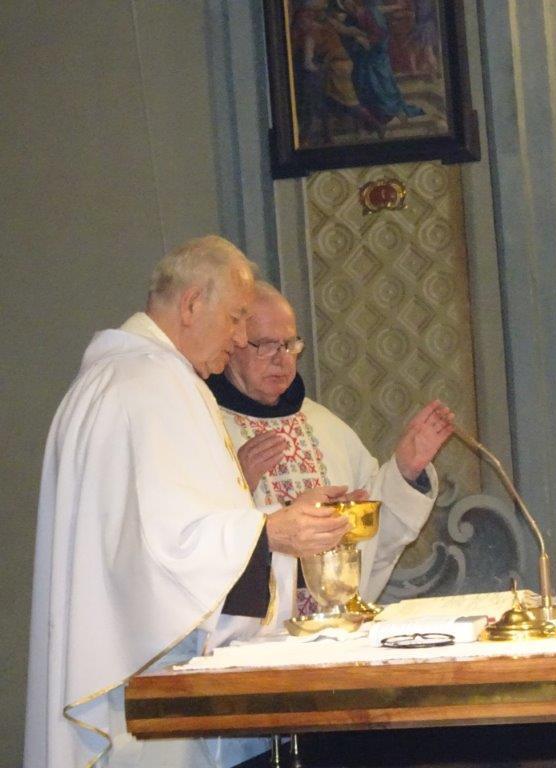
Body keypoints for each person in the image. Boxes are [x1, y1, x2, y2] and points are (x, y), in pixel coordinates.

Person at [25, 236, 358, 768]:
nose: (240, 337)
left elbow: (166, 531)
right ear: (191, 304)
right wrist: (273, 533)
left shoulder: (121, 379)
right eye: (235, 318)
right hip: (148, 682)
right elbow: (167, 550)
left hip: (130, 664)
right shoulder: (152, 387)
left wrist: (270, 525)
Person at [205, 281, 452, 638]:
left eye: (290, 345)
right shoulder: (206, 426)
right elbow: (191, 540)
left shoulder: (326, 427)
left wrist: (405, 471)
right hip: (249, 642)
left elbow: (375, 538)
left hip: (333, 637)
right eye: (266, 345)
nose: (282, 359)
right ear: (233, 344)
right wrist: (238, 482)